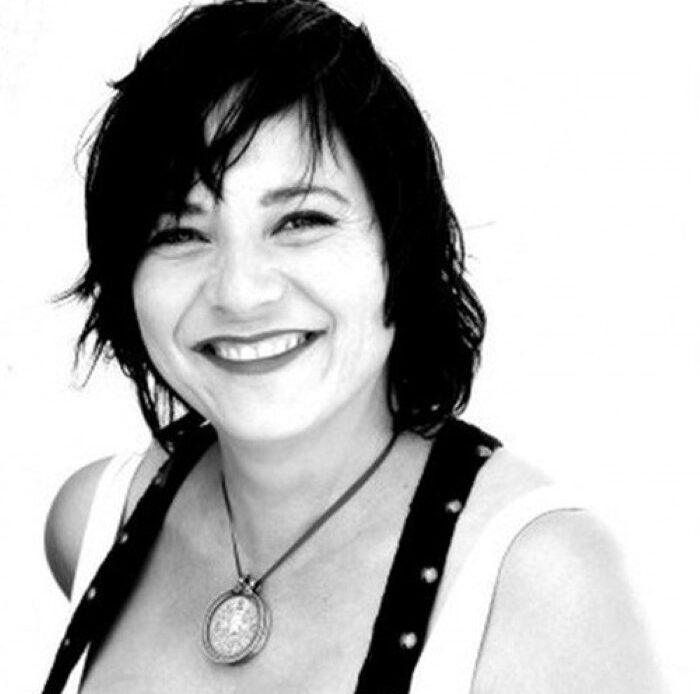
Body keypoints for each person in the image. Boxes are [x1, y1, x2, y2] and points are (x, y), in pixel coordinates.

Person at [43, 1, 665, 692]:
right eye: (179, 233)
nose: (240, 292)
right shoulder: (94, 520)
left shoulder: (541, 578)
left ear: (401, 247)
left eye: (301, 220)